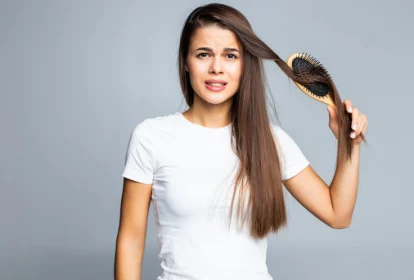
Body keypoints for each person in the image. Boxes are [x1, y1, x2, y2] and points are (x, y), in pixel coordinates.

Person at [114, 3, 368, 280]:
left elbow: (338, 215)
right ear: (186, 63)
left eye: (230, 55)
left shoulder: (269, 140)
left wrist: (349, 144)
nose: (216, 68)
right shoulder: (151, 137)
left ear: (244, 65)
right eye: (203, 54)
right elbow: (131, 241)